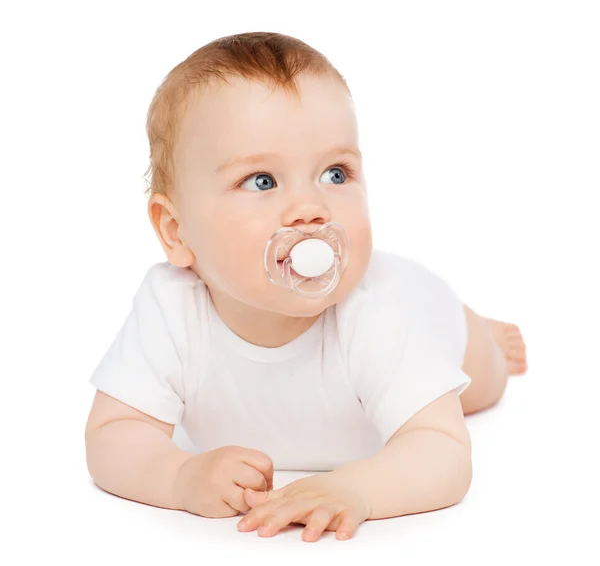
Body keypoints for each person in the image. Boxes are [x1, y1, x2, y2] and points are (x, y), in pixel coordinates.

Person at [85, 32, 528, 542]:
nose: (312, 208)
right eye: (263, 181)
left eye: (335, 173)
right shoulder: (169, 307)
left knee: (481, 381)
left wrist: (356, 489)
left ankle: (486, 335)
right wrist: (178, 477)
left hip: (437, 318)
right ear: (175, 231)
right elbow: (111, 435)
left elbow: (443, 451)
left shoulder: (379, 307)